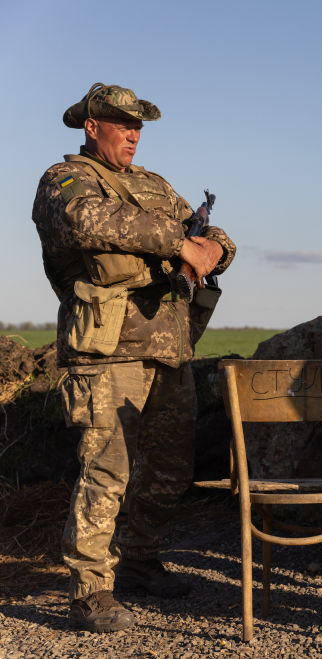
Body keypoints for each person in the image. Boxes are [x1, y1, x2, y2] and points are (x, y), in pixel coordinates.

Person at [32, 83, 235, 633]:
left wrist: (214, 247)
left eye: (138, 126)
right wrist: (180, 243)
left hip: (170, 349)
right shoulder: (65, 179)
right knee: (106, 471)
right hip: (107, 351)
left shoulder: (154, 185)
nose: (133, 135)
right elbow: (87, 221)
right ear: (92, 126)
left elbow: (211, 232)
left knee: (170, 469)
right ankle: (90, 590)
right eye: (123, 124)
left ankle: (141, 560)